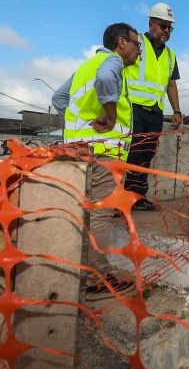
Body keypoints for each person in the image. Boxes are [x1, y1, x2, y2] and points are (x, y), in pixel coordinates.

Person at [51, 23, 140, 297]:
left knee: (82, 211)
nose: (138, 51)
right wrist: (110, 117)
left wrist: (83, 124)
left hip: (77, 150)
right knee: (100, 213)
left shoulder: (86, 66)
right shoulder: (111, 61)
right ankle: (97, 280)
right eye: (136, 44)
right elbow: (105, 80)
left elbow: (59, 98)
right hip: (103, 150)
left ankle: (77, 271)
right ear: (122, 42)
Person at [121, 2, 183, 211]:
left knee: (145, 156)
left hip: (155, 113)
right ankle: (118, 200)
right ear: (151, 23)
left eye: (170, 28)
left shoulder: (170, 55)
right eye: (163, 26)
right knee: (128, 155)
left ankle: (137, 198)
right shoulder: (134, 41)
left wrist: (176, 111)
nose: (166, 31)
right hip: (132, 109)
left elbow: (171, 84)